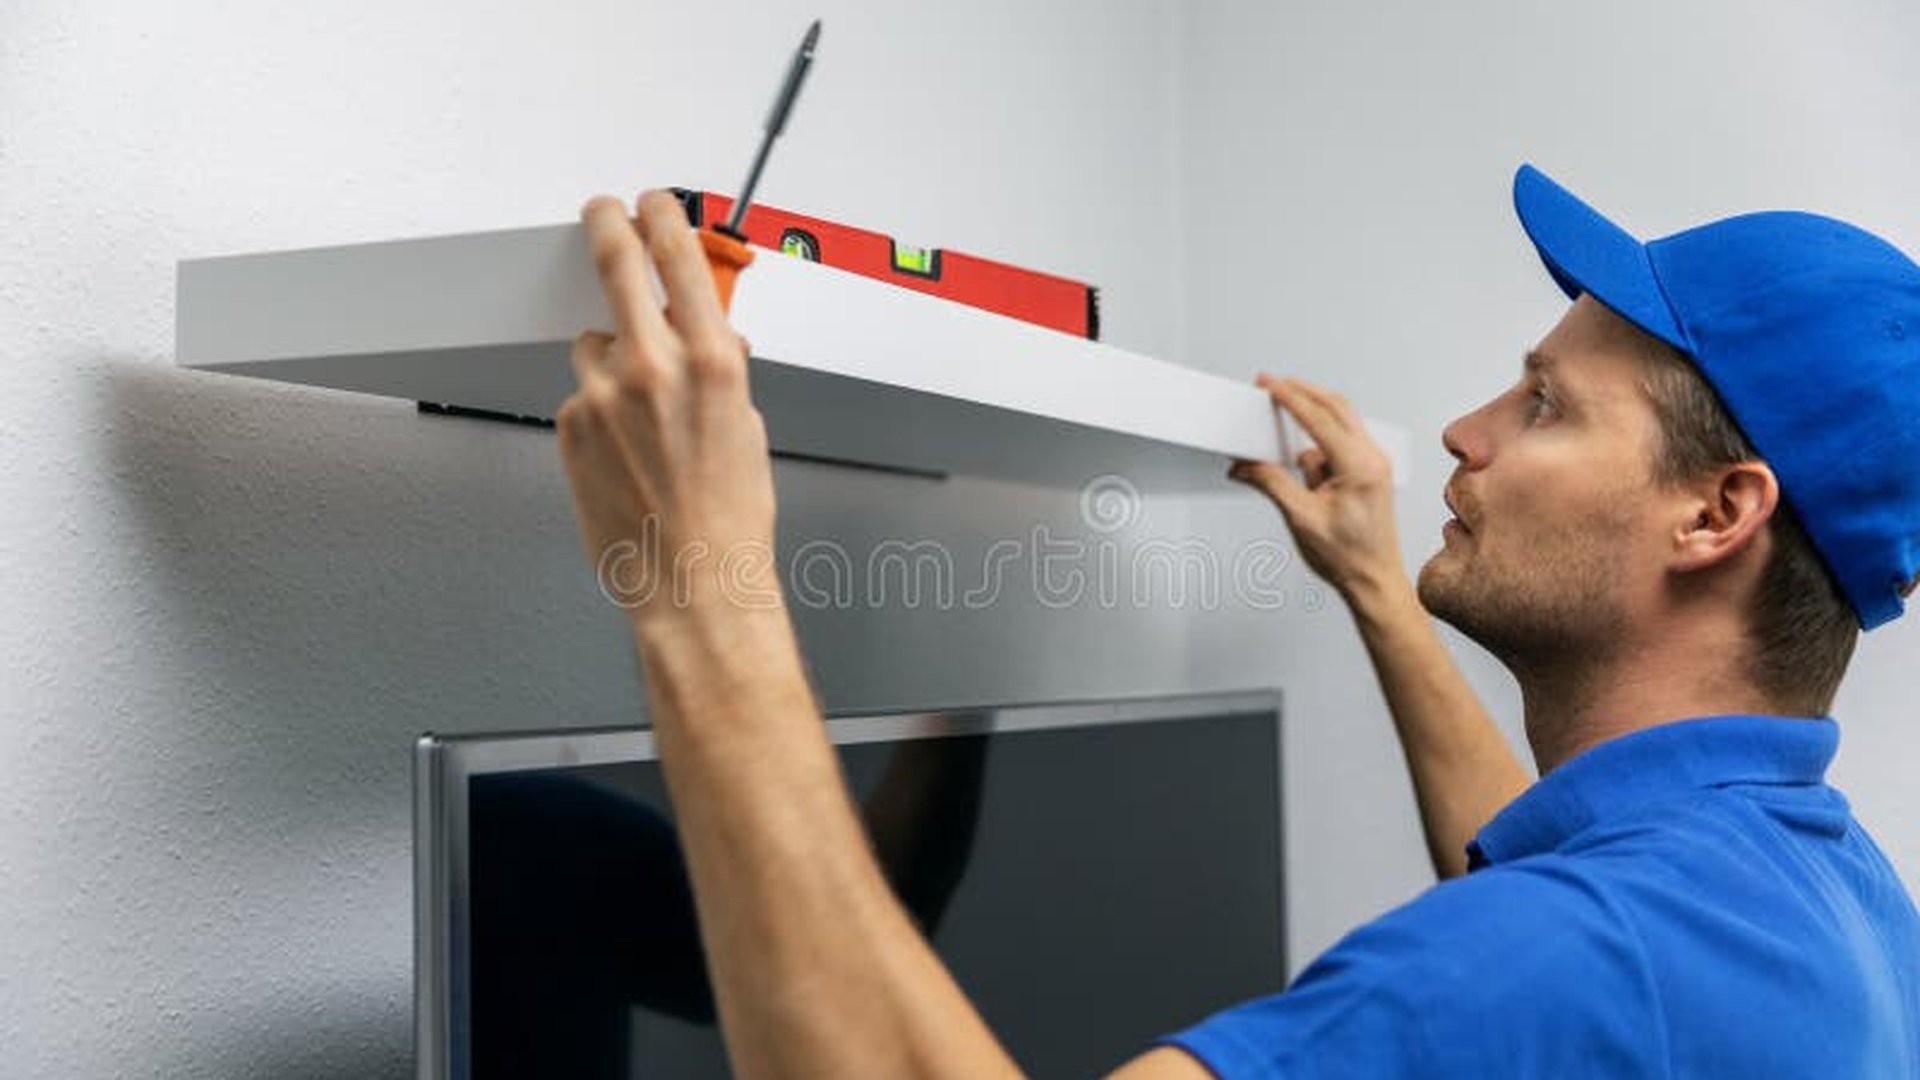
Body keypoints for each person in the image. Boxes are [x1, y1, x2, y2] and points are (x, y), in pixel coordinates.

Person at [552, 164, 1920, 1078]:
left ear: (1716, 513)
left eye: (1545, 403)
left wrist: (701, 594)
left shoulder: (1563, 958)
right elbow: (1561, 907)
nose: (1466, 429)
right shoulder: (1825, 894)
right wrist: (1378, 589)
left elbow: (1553, 955)